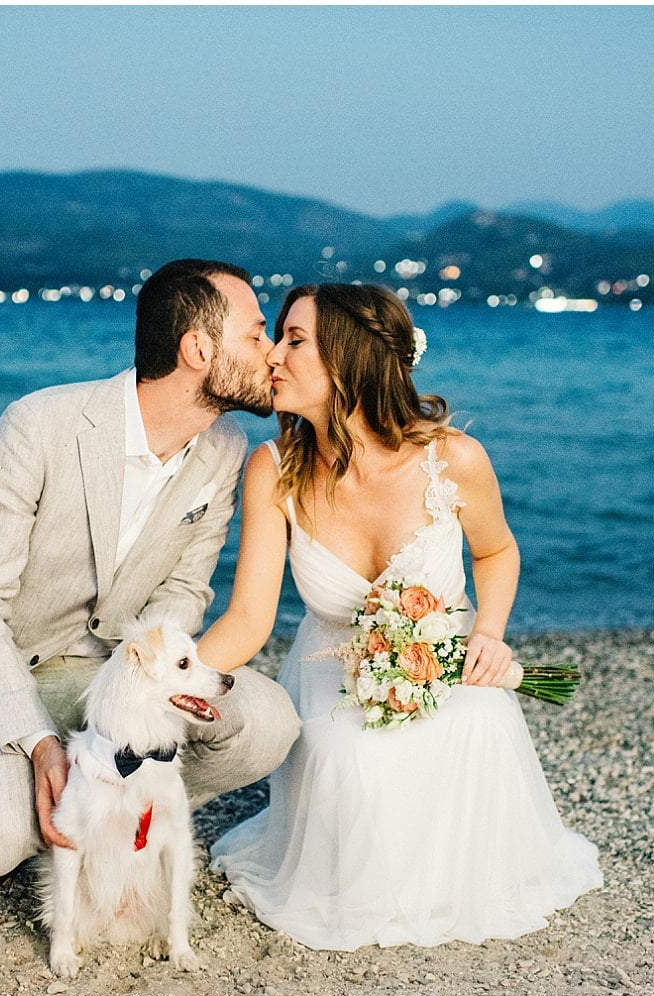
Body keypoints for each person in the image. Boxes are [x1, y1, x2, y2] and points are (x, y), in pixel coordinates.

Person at [196, 283, 601, 950]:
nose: (272, 354)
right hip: (331, 662)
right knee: (344, 754)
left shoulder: (454, 459)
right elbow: (246, 618)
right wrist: (167, 689)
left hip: (441, 661)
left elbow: (497, 549)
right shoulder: (273, 469)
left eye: (294, 340)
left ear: (349, 359)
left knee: (477, 726)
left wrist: (490, 635)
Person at [0, 258, 301, 880]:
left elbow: (185, 588)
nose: (271, 353)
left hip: (120, 672)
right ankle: (13, 769)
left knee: (268, 723)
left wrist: (143, 690)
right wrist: (42, 744)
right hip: (11, 666)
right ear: (198, 349)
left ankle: (116, 808)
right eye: (256, 335)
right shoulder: (37, 426)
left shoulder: (226, 448)